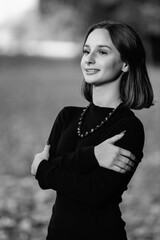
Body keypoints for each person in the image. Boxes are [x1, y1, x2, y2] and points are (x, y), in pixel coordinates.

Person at [31, 20, 154, 240]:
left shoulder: (128, 127)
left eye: (102, 52)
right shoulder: (67, 115)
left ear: (125, 63)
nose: (89, 58)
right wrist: (93, 155)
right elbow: (43, 177)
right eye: (86, 51)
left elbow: (95, 192)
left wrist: (44, 167)